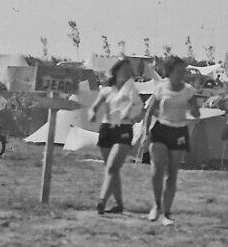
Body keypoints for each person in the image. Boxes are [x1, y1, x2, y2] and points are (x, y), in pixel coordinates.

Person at [137, 56, 202, 227]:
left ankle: (167, 212)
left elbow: (196, 113)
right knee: (157, 169)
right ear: (170, 72)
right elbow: (149, 111)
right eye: (179, 71)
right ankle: (156, 205)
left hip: (179, 131)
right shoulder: (160, 88)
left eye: (184, 71)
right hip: (161, 129)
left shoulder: (189, 90)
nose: (182, 74)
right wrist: (145, 133)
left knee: (172, 174)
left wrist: (194, 110)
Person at [87, 58, 144, 215]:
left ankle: (102, 201)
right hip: (106, 129)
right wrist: (92, 114)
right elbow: (94, 107)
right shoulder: (106, 91)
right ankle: (119, 204)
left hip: (124, 129)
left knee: (112, 167)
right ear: (116, 70)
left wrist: (135, 114)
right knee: (112, 169)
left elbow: (139, 113)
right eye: (123, 69)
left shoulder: (132, 91)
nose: (126, 72)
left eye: (128, 70)